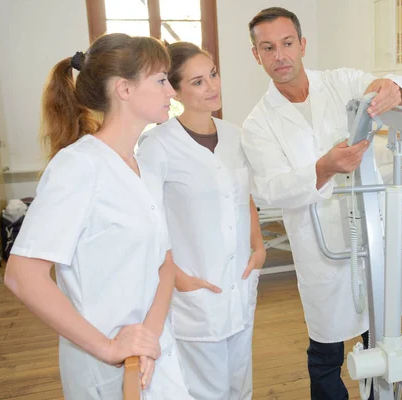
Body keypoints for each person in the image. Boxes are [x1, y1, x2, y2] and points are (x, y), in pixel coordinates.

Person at [242, 7, 402, 399]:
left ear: (302, 44)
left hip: (376, 238)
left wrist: (391, 87)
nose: (280, 56)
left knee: (386, 342)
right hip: (323, 251)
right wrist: (323, 167)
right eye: (268, 48)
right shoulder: (258, 123)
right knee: (326, 356)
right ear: (256, 55)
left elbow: (400, 93)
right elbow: (270, 188)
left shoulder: (341, 82)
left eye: (287, 43)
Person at [4, 33, 192, 399]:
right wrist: (109, 348)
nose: (172, 91)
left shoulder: (144, 169)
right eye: (160, 80)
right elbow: (23, 276)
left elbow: (164, 264)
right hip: (102, 365)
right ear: (124, 89)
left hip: (153, 354)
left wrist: (147, 338)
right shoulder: (78, 166)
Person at [137, 42, 265, 400]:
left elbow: (245, 197)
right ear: (174, 91)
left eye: (213, 74)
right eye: (197, 82)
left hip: (240, 279)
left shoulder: (234, 136)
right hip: (193, 285)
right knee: (204, 391)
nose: (212, 86)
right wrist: (178, 277)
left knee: (240, 385)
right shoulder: (157, 145)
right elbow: (147, 222)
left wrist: (259, 248)